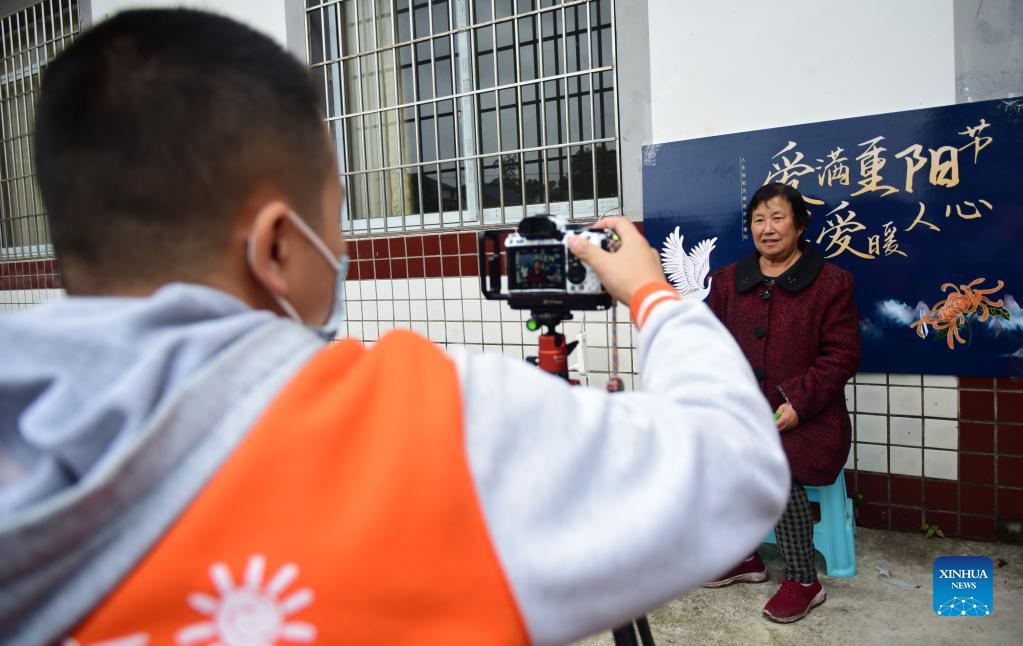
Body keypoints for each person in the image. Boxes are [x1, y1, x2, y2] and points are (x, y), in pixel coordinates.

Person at [0, 10, 789, 645]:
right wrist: (650, 294)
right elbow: (734, 463)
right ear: (277, 247)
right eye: (335, 215)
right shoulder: (429, 425)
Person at [704, 182, 861, 623]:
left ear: (800, 225)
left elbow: (842, 355)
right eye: (758, 219)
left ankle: (803, 580)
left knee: (775, 463)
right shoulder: (728, 281)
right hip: (744, 411)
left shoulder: (831, 283)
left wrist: (796, 405)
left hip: (809, 418)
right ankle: (744, 556)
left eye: (777, 217)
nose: (767, 228)